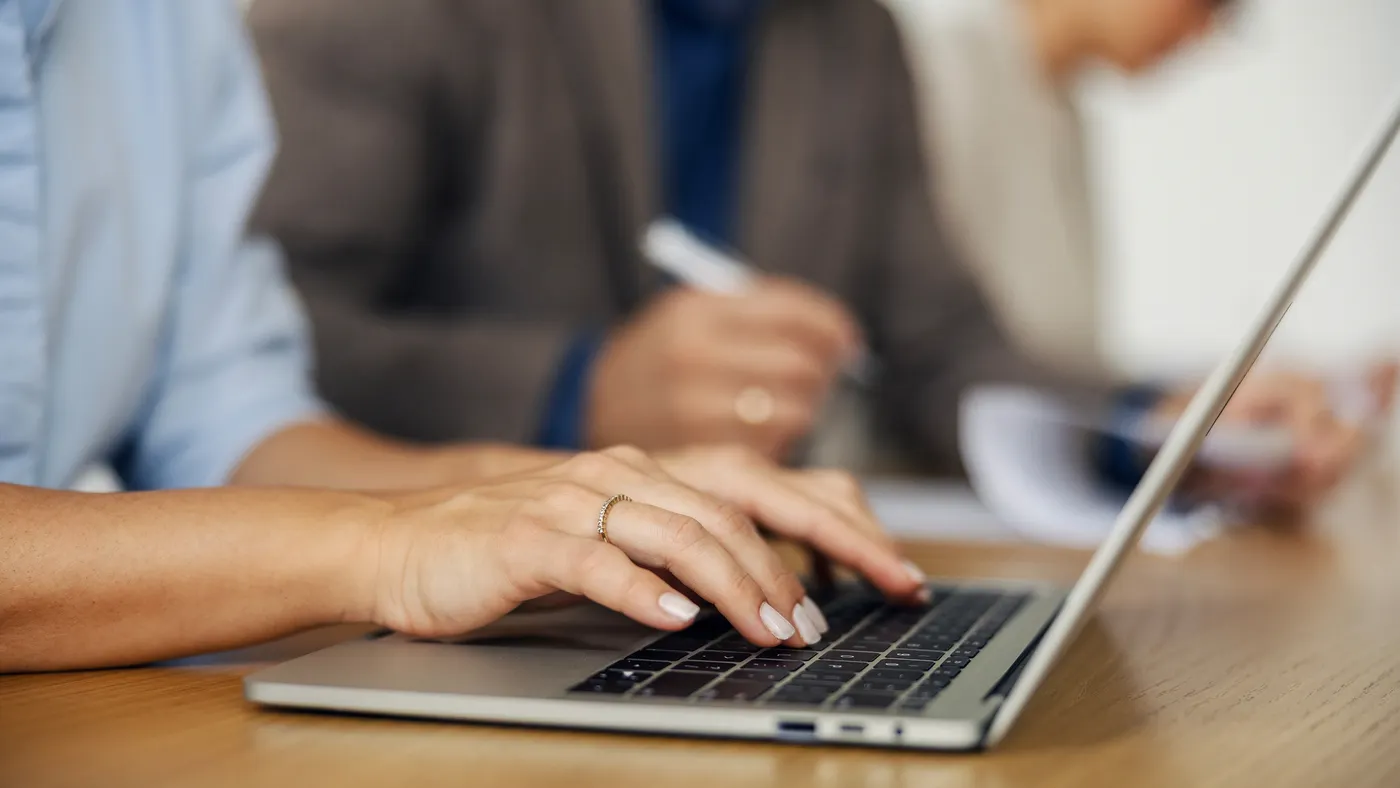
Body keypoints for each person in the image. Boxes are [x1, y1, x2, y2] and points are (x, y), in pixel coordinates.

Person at [0, 0, 927, 675]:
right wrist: (386, 548)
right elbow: (330, 345)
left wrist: (579, 499)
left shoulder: (161, 24)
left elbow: (224, 426)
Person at [251, 0, 1373, 506]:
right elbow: (257, 336)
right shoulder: (388, 13)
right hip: (421, 616)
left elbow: (942, 349)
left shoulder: (850, 34)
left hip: (731, 612)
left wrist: (1155, 419)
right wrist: (574, 388)